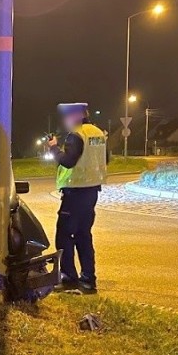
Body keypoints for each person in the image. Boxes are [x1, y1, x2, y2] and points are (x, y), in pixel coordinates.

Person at [47, 102, 107, 294]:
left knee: (64, 235)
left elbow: (68, 161)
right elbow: (106, 159)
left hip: (75, 193)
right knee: (84, 236)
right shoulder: (98, 133)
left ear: (76, 116)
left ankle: (68, 278)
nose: (65, 121)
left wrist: (54, 148)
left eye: (66, 117)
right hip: (91, 192)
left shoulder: (77, 135)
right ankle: (89, 280)